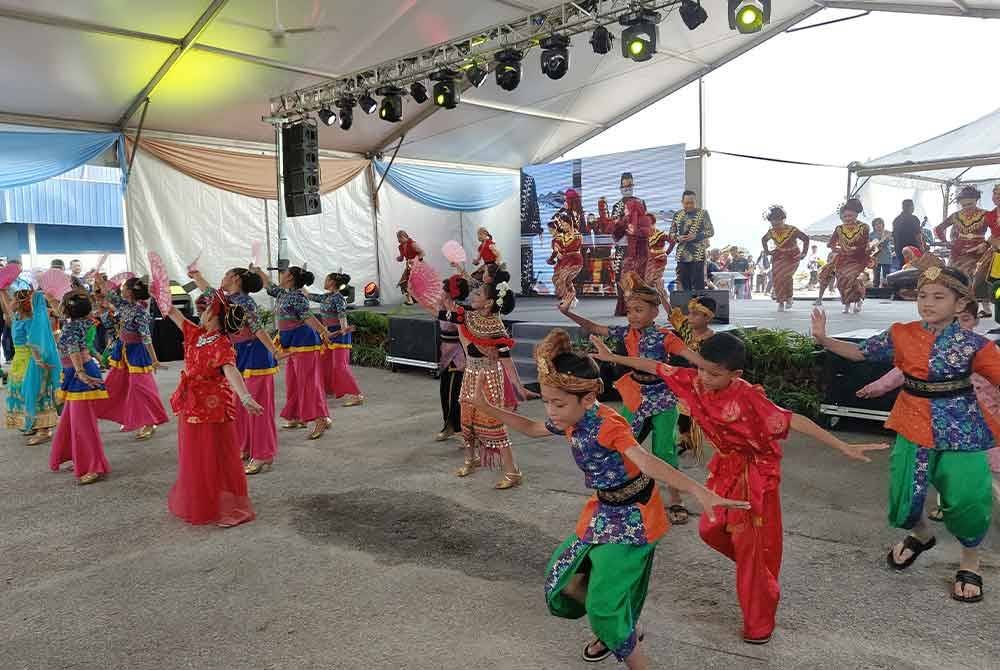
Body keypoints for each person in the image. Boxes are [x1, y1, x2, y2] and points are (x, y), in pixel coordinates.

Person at [470, 328, 749, 668]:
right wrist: (488, 408)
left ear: (587, 399)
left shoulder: (608, 425)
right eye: (547, 401)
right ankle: (621, 628)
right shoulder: (572, 416)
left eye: (557, 403)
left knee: (602, 604)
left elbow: (645, 461)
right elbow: (531, 428)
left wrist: (696, 489)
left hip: (635, 517)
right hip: (603, 509)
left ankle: (625, 643)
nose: (551, 411)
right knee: (567, 582)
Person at [591, 331, 887, 644]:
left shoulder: (747, 396)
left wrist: (843, 446)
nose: (704, 377)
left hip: (756, 472)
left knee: (748, 543)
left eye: (714, 373)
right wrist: (612, 358)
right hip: (726, 466)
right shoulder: (693, 380)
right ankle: (759, 573)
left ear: (736, 374)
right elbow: (652, 366)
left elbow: (792, 420)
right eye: (702, 368)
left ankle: (758, 623)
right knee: (710, 529)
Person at [812, 265, 999, 603]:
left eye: (939, 297)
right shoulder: (901, 333)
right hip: (912, 422)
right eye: (923, 296)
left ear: (960, 305)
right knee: (902, 498)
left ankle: (970, 561)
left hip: (963, 428)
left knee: (968, 498)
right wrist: (824, 339)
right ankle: (921, 536)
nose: (927, 303)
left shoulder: (976, 346)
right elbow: (860, 352)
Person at [560, 273, 712, 525]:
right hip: (636, 397)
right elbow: (596, 328)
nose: (632, 315)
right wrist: (568, 313)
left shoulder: (665, 337)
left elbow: (691, 356)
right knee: (622, 442)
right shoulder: (626, 332)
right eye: (629, 310)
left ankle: (676, 499)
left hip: (662, 398)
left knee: (664, 450)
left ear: (655, 312)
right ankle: (624, 493)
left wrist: (714, 370)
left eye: (639, 310)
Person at [857, 297, 1000, 521]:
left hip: (978, 422)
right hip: (933, 422)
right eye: (958, 319)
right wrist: (875, 388)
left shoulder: (981, 347)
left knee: (976, 478)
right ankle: (946, 507)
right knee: (945, 472)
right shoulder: (925, 347)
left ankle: (969, 517)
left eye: (966, 319)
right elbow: (901, 373)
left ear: (975, 321)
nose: (961, 324)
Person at [427, 269, 533, 489]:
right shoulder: (467, 316)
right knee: (467, 421)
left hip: (490, 379)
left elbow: (506, 360)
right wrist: (423, 295)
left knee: (495, 425)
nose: (472, 297)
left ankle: (512, 472)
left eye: (477, 295)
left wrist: (518, 386)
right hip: (470, 375)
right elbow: (440, 314)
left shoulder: (496, 326)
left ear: (488, 303)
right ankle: (471, 459)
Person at [163, 291, 261, 528]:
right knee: (195, 454)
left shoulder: (221, 342)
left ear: (215, 316)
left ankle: (235, 507)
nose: (202, 311)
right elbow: (172, 312)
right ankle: (204, 501)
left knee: (217, 453)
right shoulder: (195, 334)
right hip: (191, 403)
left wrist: (245, 396)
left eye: (207, 309)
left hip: (214, 405)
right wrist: (159, 290)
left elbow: (229, 369)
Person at [190, 268, 285, 475]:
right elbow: (209, 293)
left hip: (256, 357)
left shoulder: (245, 302)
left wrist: (275, 352)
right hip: (238, 354)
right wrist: (197, 276)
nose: (222, 279)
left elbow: (258, 329)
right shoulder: (227, 299)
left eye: (225, 275)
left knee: (258, 406)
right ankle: (245, 446)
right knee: (240, 405)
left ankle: (263, 454)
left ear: (235, 279)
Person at [255, 265, 332, 440]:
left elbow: (308, 317)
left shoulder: (298, 297)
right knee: (293, 381)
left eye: (284, 273)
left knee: (307, 383)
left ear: (289, 278)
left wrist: (323, 332)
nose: (280, 275)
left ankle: (321, 418)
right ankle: (298, 416)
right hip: (291, 345)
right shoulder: (283, 293)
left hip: (304, 344)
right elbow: (269, 286)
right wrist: (258, 271)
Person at [49, 291, 111, 485]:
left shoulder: (71, 327)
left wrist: (81, 372)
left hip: (79, 374)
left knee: (83, 425)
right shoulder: (84, 322)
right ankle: (77, 456)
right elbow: (61, 314)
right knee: (69, 420)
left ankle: (94, 466)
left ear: (68, 309)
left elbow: (74, 350)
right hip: (75, 373)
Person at [96, 275, 168, 439]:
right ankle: (127, 417)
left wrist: (154, 359)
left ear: (129, 292)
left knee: (141, 388)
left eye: (123, 288)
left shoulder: (141, 312)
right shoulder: (123, 304)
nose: (120, 290)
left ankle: (150, 422)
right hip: (122, 350)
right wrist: (100, 282)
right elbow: (110, 296)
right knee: (116, 385)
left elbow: (146, 338)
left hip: (137, 352)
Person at [2, 290, 59, 445]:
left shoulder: (30, 322)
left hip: (31, 362)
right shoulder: (16, 317)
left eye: (13, 300)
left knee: (37, 393)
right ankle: (33, 423)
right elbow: (7, 307)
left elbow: (34, 343)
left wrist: (39, 361)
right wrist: (2, 291)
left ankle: (45, 430)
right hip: (19, 361)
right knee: (22, 392)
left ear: (20, 304)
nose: (10, 303)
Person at [935, 185, 995, 315]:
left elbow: (996, 231)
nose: (967, 207)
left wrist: (988, 244)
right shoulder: (955, 216)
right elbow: (938, 228)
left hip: (979, 250)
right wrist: (946, 242)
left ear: (976, 200)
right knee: (957, 278)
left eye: (970, 204)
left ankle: (986, 308)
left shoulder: (986, 214)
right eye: (964, 205)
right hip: (958, 252)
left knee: (980, 277)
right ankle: (962, 306)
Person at [668, 295, 716, 458]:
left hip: (701, 380)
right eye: (690, 313)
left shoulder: (713, 339)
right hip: (684, 379)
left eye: (696, 314)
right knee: (683, 409)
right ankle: (686, 437)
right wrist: (661, 294)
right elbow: (672, 314)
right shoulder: (686, 331)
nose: (690, 317)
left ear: (707, 317)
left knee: (698, 411)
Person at [305, 272, 363, 408]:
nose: (324, 281)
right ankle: (328, 390)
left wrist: (343, 329)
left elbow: (343, 319)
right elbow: (309, 295)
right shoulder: (327, 296)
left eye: (326, 279)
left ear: (331, 282)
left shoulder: (338, 298)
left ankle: (356, 395)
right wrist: (300, 285)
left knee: (339, 366)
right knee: (324, 363)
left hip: (339, 335)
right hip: (328, 333)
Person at [435, 273, 469, 442]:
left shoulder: (460, 310)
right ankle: (448, 425)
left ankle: (458, 428)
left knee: (455, 392)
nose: (441, 292)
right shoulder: (442, 307)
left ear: (451, 293)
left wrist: (449, 309)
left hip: (457, 353)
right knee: (444, 390)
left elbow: (461, 329)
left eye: (444, 290)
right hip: (444, 351)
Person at [612, 194, 654, 316]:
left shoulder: (645, 219)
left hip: (640, 255)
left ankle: (639, 308)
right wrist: (618, 225)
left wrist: (636, 232)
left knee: (638, 282)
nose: (624, 210)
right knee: (624, 281)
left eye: (626, 208)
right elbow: (615, 236)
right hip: (626, 254)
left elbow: (648, 232)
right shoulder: (626, 219)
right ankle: (624, 308)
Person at [761, 206, 809, 311]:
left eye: (777, 221)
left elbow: (805, 238)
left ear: (783, 219)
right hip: (778, 256)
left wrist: (804, 253)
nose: (775, 224)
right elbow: (764, 240)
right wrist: (767, 251)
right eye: (773, 222)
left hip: (793, 256)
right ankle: (781, 302)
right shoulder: (771, 232)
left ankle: (789, 297)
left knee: (786, 276)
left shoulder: (792, 230)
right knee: (777, 278)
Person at [829, 198, 870, 314]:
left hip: (858, 258)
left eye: (850, 216)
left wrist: (855, 248)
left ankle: (858, 300)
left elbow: (864, 243)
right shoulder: (839, 229)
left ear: (856, 215)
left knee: (851, 279)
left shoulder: (864, 227)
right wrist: (836, 249)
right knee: (841, 280)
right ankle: (847, 303)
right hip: (843, 259)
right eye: (845, 217)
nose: (847, 219)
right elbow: (831, 242)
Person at [669, 190, 714, 291]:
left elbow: (711, 231)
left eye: (692, 203)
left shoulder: (703, 213)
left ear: (695, 201)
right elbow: (671, 234)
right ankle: (686, 306)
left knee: (698, 287)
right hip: (681, 256)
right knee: (684, 287)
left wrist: (696, 236)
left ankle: (698, 306)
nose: (689, 205)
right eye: (686, 203)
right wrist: (677, 238)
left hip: (698, 256)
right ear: (682, 202)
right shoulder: (677, 215)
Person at [548, 211, 584, 303]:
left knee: (562, 279)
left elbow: (572, 248)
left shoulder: (577, 235)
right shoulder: (562, 237)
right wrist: (557, 252)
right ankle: (572, 298)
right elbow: (559, 249)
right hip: (566, 261)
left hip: (575, 261)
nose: (563, 227)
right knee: (558, 279)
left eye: (564, 224)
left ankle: (566, 300)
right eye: (562, 225)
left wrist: (561, 251)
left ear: (569, 223)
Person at [892, 199, 924, 269]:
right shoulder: (914, 219)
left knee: (903, 269)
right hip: (912, 250)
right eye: (913, 206)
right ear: (910, 207)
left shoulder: (896, 220)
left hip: (899, 250)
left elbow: (894, 237)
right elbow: (918, 236)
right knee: (914, 269)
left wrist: (896, 250)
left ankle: (903, 280)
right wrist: (922, 248)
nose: (913, 208)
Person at [396, 230, 424, 305]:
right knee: (403, 283)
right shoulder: (401, 247)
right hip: (409, 266)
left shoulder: (413, 244)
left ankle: (418, 299)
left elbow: (422, 253)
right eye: (398, 238)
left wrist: (415, 260)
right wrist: (399, 258)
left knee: (417, 283)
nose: (399, 240)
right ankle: (410, 300)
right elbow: (402, 257)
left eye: (400, 238)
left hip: (417, 265)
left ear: (404, 237)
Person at [645, 225, 675, 293]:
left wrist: (666, 253)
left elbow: (672, 242)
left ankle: (662, 296)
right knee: (648, 279)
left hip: (659, 259)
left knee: (656, 278)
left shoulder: (660, 234)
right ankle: (654, 297)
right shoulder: (646, 234)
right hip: (650, 259)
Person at [869, 218, 893, 288]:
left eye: (880, 223)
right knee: (876, 276)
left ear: (883, 224)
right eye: (876, 224)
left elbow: (894, 239)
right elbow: (868, 245)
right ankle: (875, 292)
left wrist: (889, 238)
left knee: (887, 276)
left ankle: (886, 291)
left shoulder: (887, 233)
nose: (878, 225)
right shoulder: (871, 235)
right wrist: (873, 247)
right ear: (873, 226)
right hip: (875, 258)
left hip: (886, 256)